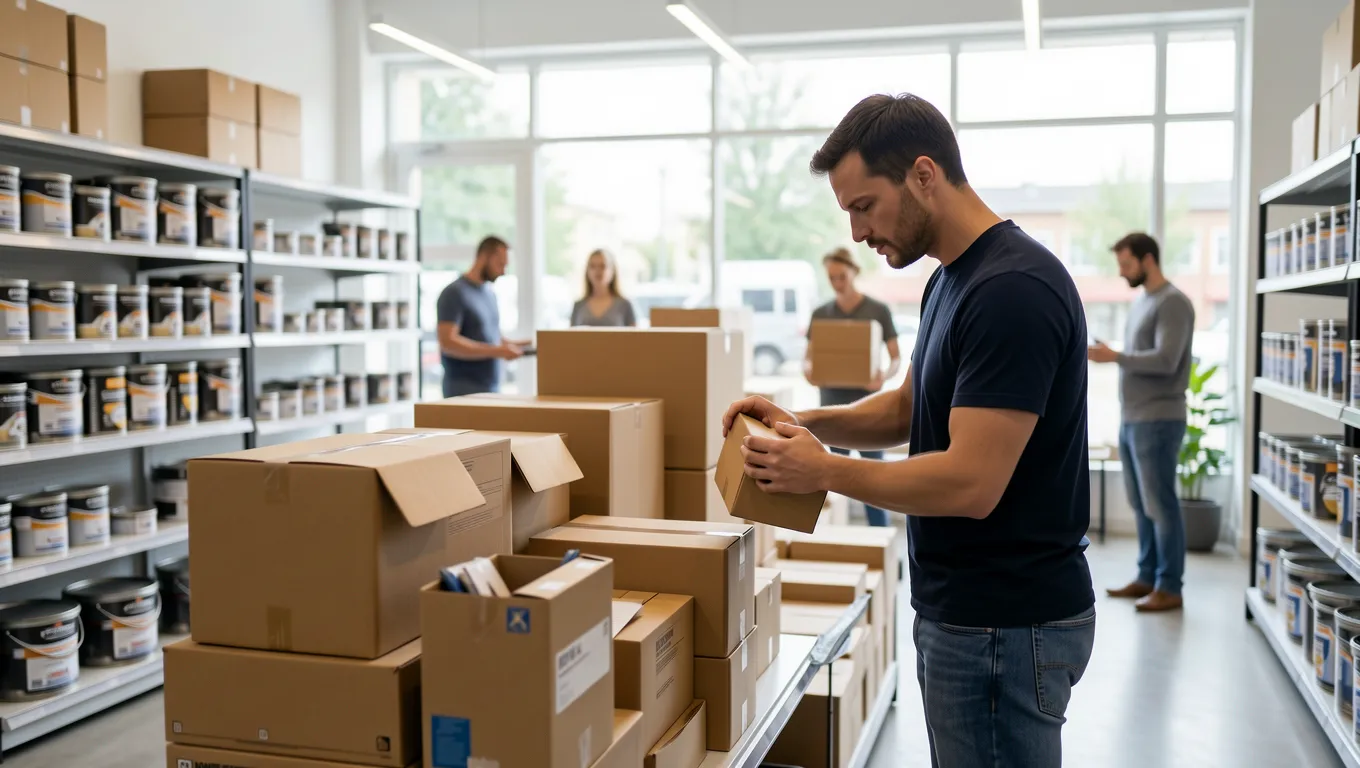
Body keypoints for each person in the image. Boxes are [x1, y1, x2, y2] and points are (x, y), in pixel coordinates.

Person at [721, 93, 1095, 768]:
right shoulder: (951, 281)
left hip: (1004, 626)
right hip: (969, 614)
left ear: (923, 176)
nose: (858, 234)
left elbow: (972, 482)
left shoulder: (1013, 289)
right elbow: (906, 409)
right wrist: (802, 420)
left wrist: (827, 470)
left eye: (865, 206)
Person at [1088, 232, 1195, 613]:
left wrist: (1115, 356)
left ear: (1148, 259)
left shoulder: (1173, 303)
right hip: (1134, 418)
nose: (1122, 273)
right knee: (1141, 503)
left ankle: (1170, 586)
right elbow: (1141, 354)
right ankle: (1148, 576)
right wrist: (1116, 354)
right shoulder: (1144, 302)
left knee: (1161, 504)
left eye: (1126, 264)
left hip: (1158, 419)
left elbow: (1166, 361)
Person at [805, 247, 901, 527]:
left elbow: (896, 357)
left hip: (868, 411)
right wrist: (809, 372)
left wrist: (884, 375)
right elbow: (808, 359)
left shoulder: (877, 311)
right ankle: (840, 546)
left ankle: (879, 547)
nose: (837, 283)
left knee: (875, 487)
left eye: (842, 277)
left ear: (854, 273)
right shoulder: (820, 313)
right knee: (830, 488)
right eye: (832, 278)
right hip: (831, 410)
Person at [436, 236, 528, 397]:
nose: (503, 272)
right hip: (463, 391)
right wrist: (498, 351)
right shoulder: (454, 293)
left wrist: (529, 343)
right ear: (484, 257)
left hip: (491, 388)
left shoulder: (489, 293)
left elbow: (493, 339)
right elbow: (448, 342)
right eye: (500, 265)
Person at [570, 249, 637, 327]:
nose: (597, 271)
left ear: (612, 271)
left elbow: (635, 337)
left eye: (603, 266)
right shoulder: (578, 305)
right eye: (592, 266)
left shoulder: (624, 305)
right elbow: (570, 337)